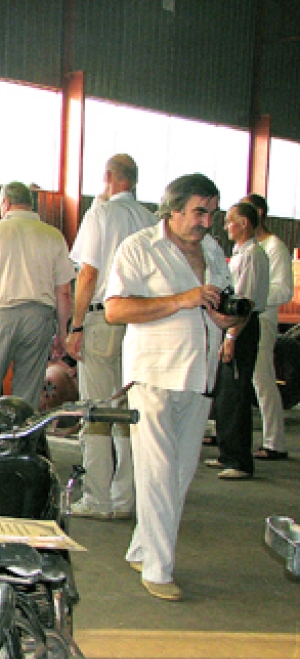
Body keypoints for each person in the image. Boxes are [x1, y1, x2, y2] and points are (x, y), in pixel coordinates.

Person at [105, 173, 236, 601]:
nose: (206, 222)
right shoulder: (140, 248)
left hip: (199, 375)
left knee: (180, 472)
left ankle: (144, 548)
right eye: (199, 211)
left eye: (212, 213)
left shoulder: (214, 251)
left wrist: (229, 321)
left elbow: (227, 308)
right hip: (155, 374)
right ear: (173, 209)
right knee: (158, 472)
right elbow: (116, 309)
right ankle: (159, 569)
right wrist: (181, 299)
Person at [66, 154, 157, 520]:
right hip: (140, 324)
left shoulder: (100, 215)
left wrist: (75, 326)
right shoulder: (151, 220)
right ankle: (124, 498)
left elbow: (88, 273)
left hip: (104, 320)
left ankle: (97, 498)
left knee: (97, 412)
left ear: (108, 178)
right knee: (128, 413)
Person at [0, 181, 75, 424]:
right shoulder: (53, 235)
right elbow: (64, 292)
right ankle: (21, 450)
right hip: (40, 317)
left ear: (5, 203)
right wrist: (62, 331)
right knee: (28, 394)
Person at [204, 202, 269, 480]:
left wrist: (231, 338)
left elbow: (246, 302)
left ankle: (240, 460)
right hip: (232, 326)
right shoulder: (240, 254)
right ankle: (227, 452)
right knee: (225, 395)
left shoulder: (253, 255)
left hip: (241, 327)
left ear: (243, 223)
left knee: (236, 394)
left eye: (230, 221)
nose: (226, 226)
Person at [244, 192, 294, 461]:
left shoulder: (274, 247)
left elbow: (283, 290)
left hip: (262, 320)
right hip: (246, 319)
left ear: (258, 215)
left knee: (262, 380)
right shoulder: (249, 247)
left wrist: (254, 298)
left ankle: (275, 441)